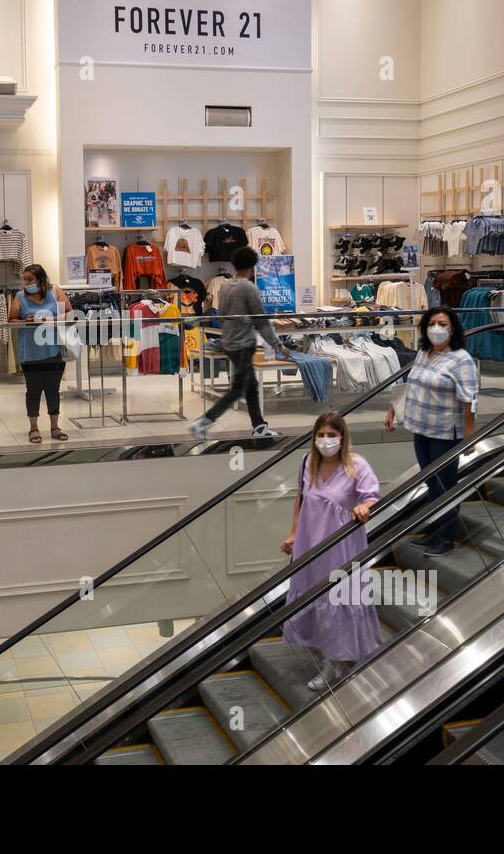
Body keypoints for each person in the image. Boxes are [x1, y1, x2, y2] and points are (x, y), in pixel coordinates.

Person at [279, 412, 381, 691]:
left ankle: (335, 662)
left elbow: (371, 495)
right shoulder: (307, 462)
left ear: (342, 437)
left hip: (341, 546)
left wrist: (364, 506)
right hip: (311, 544)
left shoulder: (356, 465)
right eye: (321, 434)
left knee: (339, 599)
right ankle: (333, 659)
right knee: (318, 597)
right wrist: (293, 533)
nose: (326, 440)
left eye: (331, 435)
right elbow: (300, 499)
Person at [385, 307, 478, 557]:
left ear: (453, 328)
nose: (437, 328)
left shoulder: (461, 360)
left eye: (443, 324)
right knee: (431, 483)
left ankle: (445, 538)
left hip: (446, 432)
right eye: (432, 323)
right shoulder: (424, 353)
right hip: (421, 428)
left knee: (445, 485)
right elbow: (412, 385)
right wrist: (392, 409)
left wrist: (470, 436)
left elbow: (469, 399)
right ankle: (435, 530)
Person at [189, 246, 289, 441]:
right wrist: (278, 345)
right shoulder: (249, 288)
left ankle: (259, 426)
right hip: (243, 344)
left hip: (229, 342)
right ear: (252, 266)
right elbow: (261, 321)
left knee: (251, 386)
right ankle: (203, 421)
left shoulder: (226, 285)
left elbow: (223, 314)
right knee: (237, 389)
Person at [9, 263, 69, 444]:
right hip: (30, 352)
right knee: (33, 391)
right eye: (24, 279)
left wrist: (49, 319)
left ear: (41, 280)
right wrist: (23, 321)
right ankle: (33, 428)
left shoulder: (55, 291)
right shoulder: (20, 296)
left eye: (30, 279)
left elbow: (70, 313)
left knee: (53, 390)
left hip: (54, 350)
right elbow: (12, 320)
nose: (26, 283)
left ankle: (55, 427)